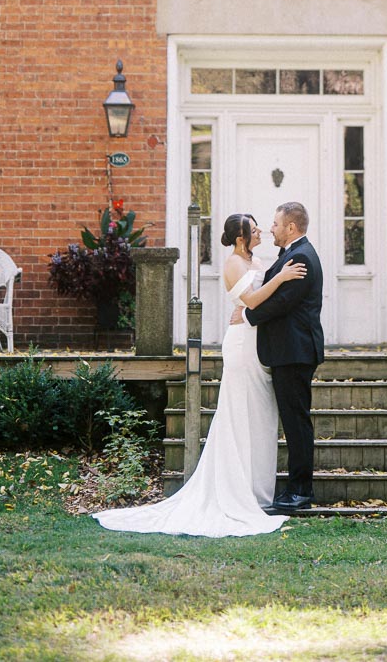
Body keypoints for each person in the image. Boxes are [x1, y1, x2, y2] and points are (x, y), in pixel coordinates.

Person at [93, 212, 307, 537]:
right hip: (241, 343)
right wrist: (280, 279)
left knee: (261, 416)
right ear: (240, 237)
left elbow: (267, 301)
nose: (261, 229)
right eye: (253, 228)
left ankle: (258, 492)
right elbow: (249, 300)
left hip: (260, 346)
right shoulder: (233, 263)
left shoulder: (259, 259)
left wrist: (278, 281)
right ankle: (237, 492)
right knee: (238, 415)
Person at [244, 200, 324, 512]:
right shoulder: (293, 254)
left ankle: (301, 491)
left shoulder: (302, 256)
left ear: (291, 227)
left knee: (296, 423)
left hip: (295, 352)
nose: (271, 229)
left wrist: (248, 316)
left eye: (276, 224)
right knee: (293, 421)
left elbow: (284, 302)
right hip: (288, 351)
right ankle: (296, 489)